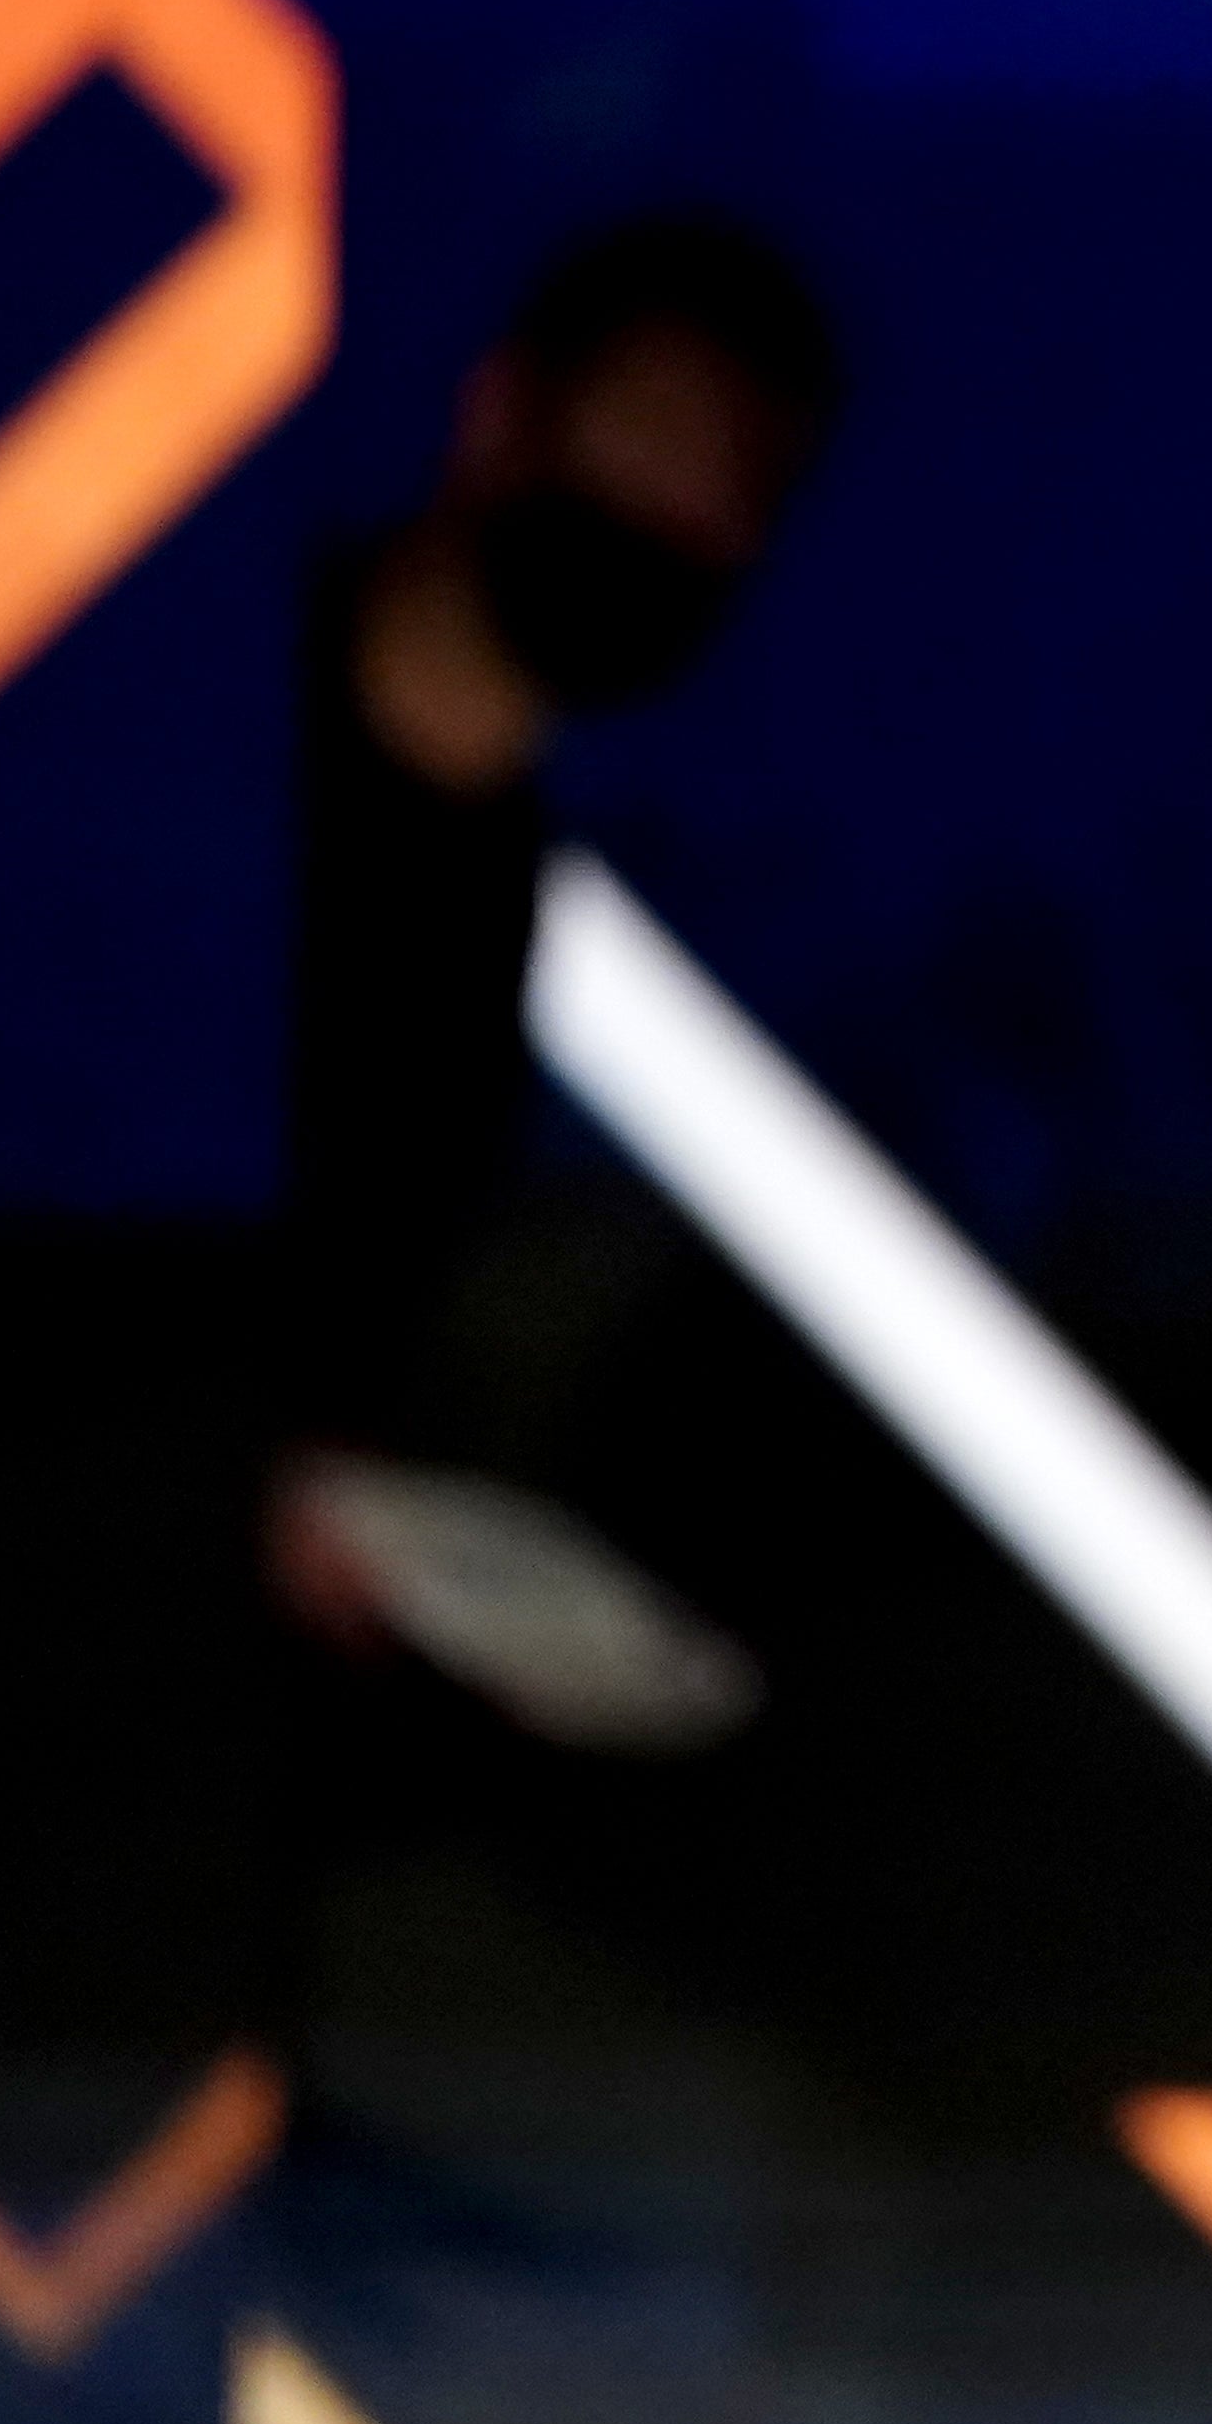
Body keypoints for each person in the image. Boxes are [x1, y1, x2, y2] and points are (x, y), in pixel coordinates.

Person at [265, 212, 839, 1750]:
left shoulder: (497, 909)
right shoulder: (187, 744)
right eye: (655, 435)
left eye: (738, 488)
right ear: (504, 415)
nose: (684, 512)